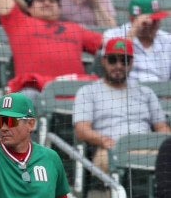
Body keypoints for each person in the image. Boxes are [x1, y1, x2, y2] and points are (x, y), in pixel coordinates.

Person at [73, 37, 170, 172]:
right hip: (110, 149)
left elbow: (162, 127)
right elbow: (81, 130)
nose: (118, 65)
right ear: (103, 61)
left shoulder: (146, 92)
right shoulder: (87, 92)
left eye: (124, 60)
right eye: (113, 60)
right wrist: (103, 140)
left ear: (131, 63)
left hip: (146, 147)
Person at [0, 0, 103, 94]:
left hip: (73, 90)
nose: (47, 3)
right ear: (30, 8)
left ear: (60, 10)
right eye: (41, 0)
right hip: (33, 90)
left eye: (52, 0)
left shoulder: (74, 28)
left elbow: (109, 43)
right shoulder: (19, 22)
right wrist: (25, 6)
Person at [102, 0, 171, 84]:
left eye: (158, 20)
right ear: (133, 20)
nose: (156, 25)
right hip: (125, 92)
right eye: (152, 21)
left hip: (161, 94)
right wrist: (133, 31)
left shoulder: (167, 40)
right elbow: (113, 64)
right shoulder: (112, 35)